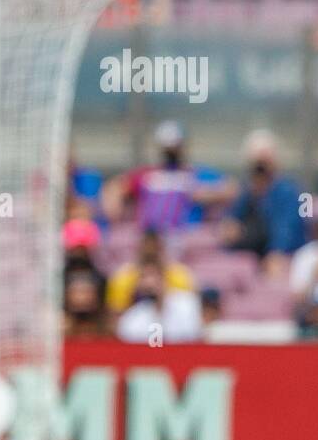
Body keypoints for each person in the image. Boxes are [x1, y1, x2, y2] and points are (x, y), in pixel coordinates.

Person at [101, 121, 228, 236]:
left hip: (188, 238)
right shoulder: (148, 175)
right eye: (167, 150)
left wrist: (205, 194)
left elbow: (230, 189)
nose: (171, 154)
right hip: (151, 239)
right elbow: (114, 188)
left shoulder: (195, 175)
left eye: (175, 149)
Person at [221, 129, 306, 278]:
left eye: (264, 164)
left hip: (280, 257)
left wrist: (277, 251)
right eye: (257, 165)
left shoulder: (288, 191)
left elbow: (287, 227)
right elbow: (231, 222)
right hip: (249, 256)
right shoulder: (245, 192)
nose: (260, 170)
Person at [105, 228, 197, 315]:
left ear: (162, 249)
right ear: (139, 250)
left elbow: (189, 311)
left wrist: (162, 295)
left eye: (155, 248)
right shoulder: (123, 278)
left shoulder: (180, 275)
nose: (150, 251)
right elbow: (116, 315)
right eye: (146, 249)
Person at [115, 260, 203, 342]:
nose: (148, 282)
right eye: (143, 277)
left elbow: (193, 335)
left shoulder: (187, 303)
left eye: (152, 275)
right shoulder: (133, 317)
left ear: (163, 278)